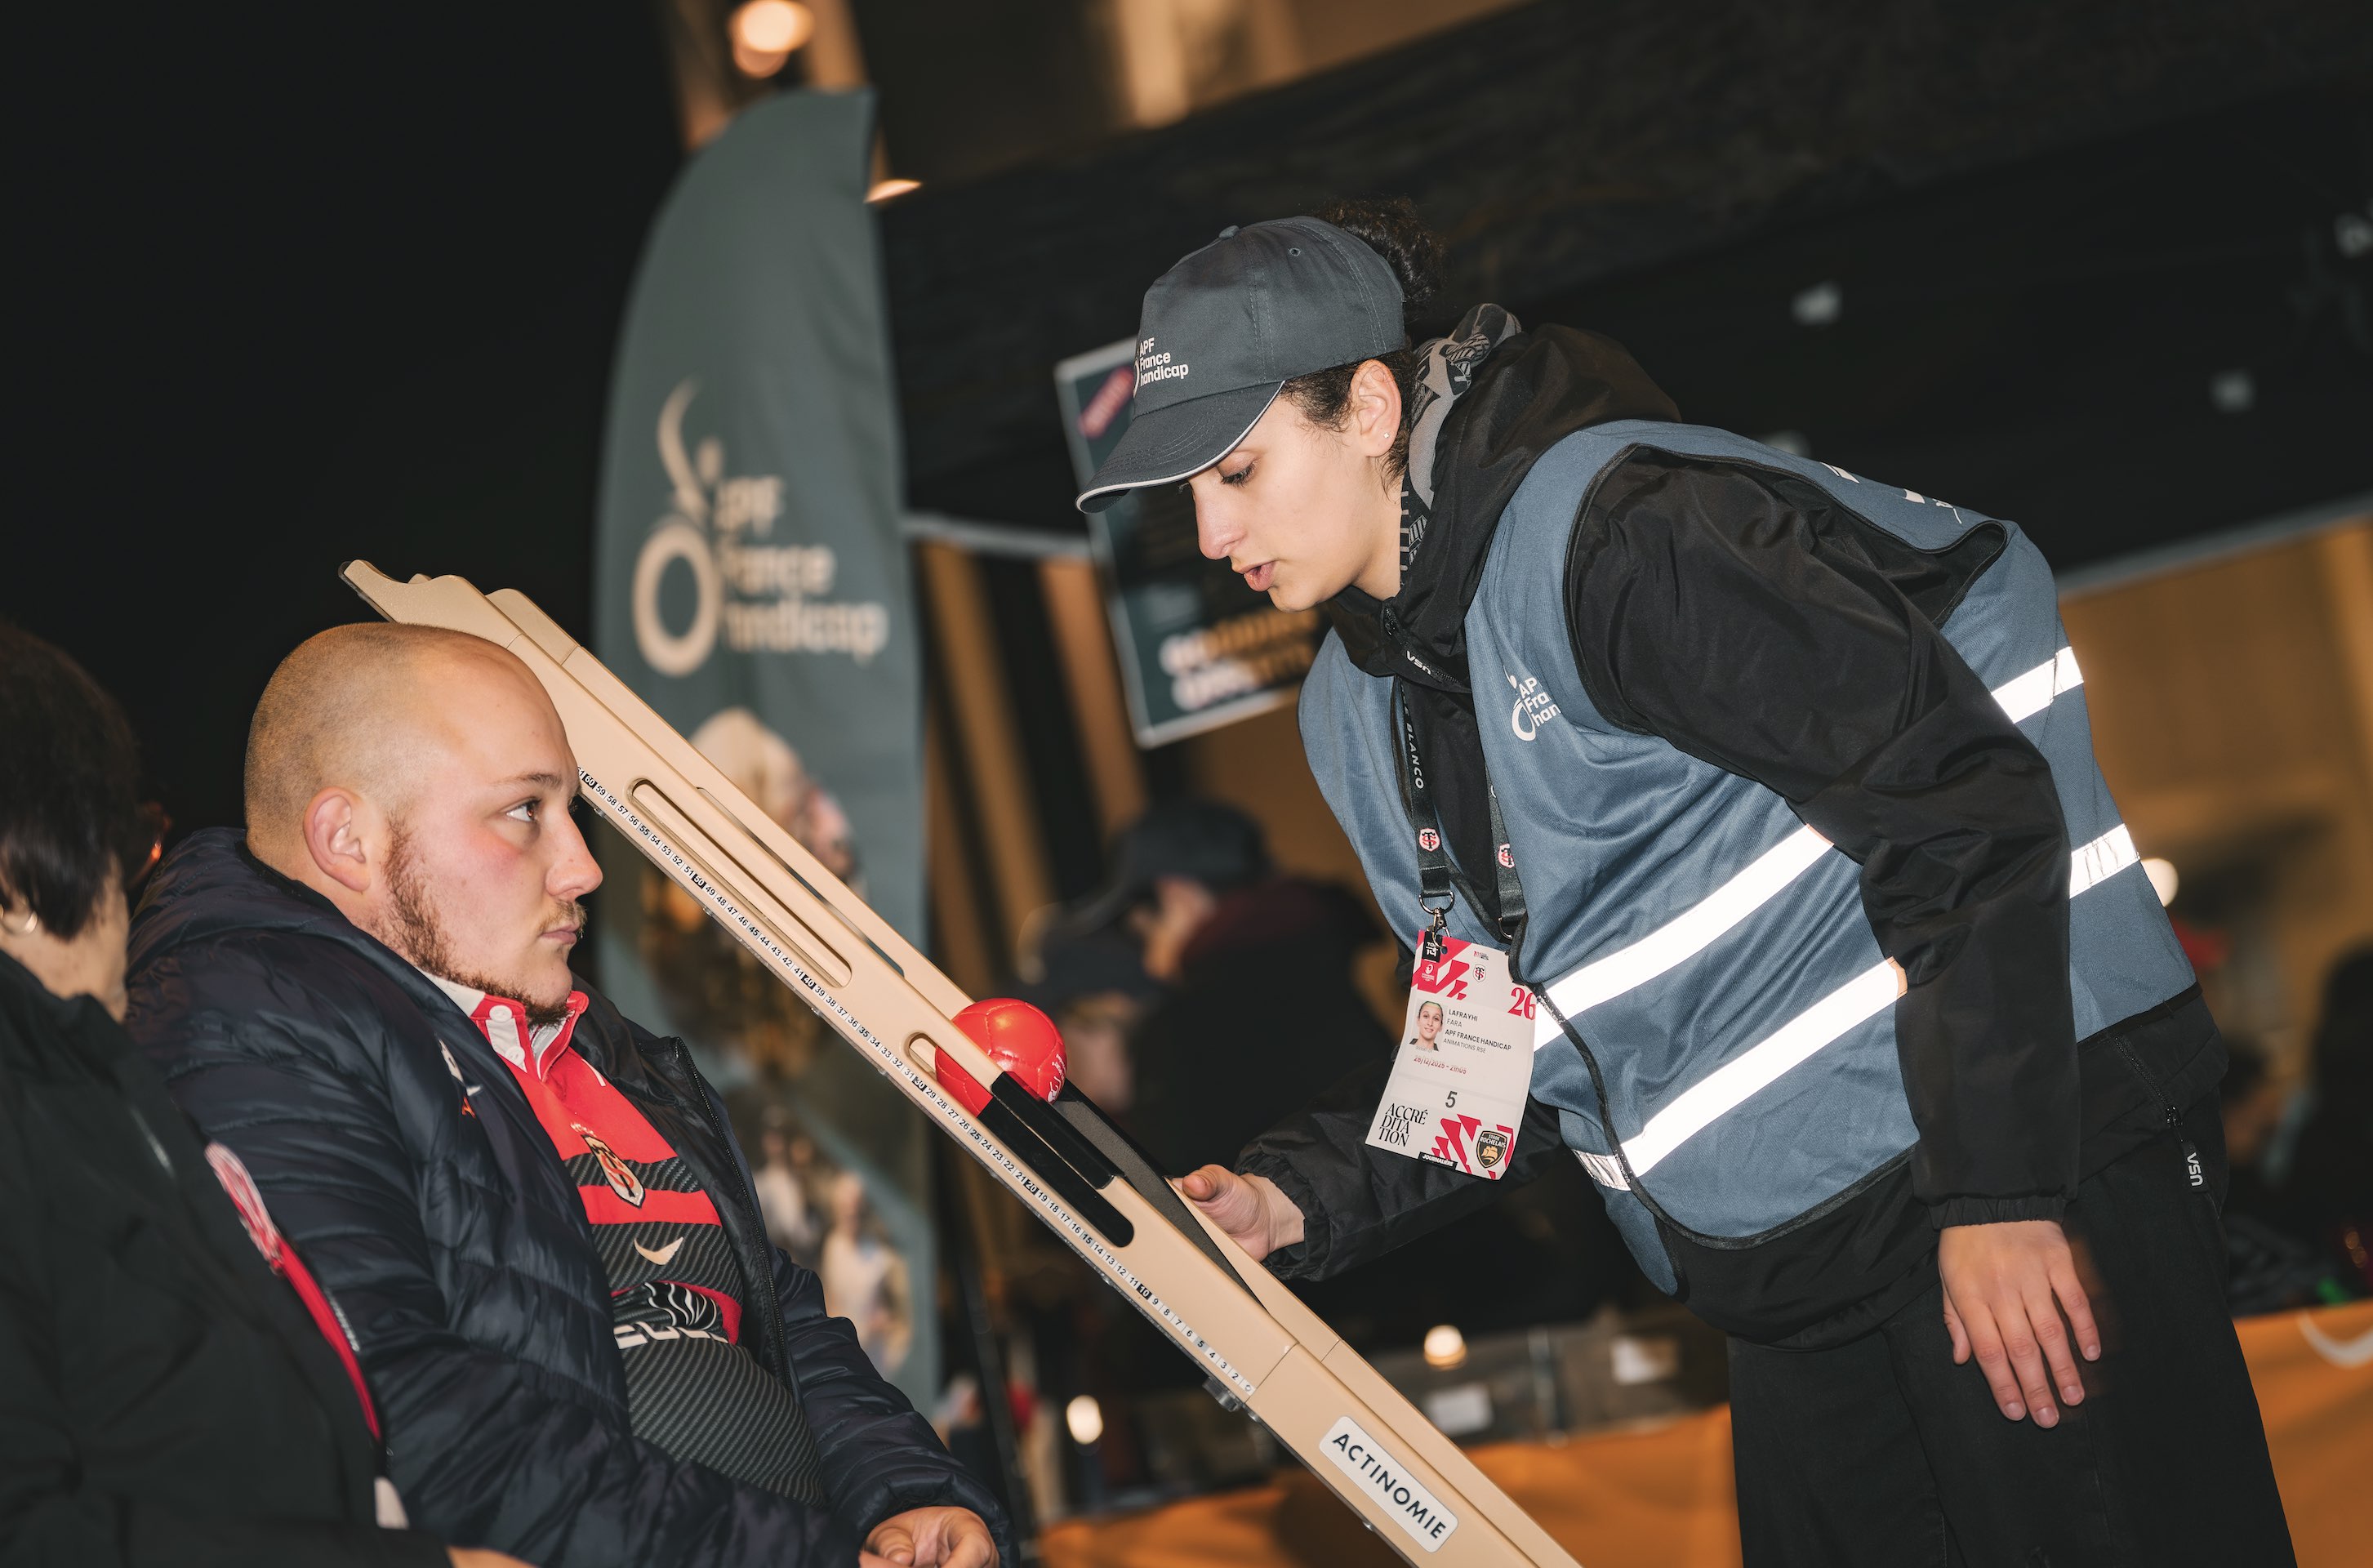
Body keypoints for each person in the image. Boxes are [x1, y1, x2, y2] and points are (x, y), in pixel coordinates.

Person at [1081, 202, 2294, 1564]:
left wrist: (2002, 1195)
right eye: (1184, 491)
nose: (1204, 535)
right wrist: (1294, 1198)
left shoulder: (1625, 532)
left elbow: (1959, 807)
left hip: (2002, 1177)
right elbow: (1498, 1035)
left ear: (1368, 406)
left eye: (1236, 470)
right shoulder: (1357, 713)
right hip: (1784, 1269)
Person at [126, 623, 1004, 1568]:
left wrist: (908, 1494)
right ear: (349, 840)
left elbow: (785, 1326)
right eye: (522, 812)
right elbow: (410, 1416)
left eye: (571, 809)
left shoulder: (603, 1046)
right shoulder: (242, 1023)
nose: (582, 865)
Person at [0, 622, 528, 1568]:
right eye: (128, 846)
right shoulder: (85, 1088)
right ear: (17, 881)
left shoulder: (93, 1096)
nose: (136, 894)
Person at [1070, 800, 1391, 1176]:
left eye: (1146, 933)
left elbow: (1185, 1205)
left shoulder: (1188, 1032)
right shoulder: (1339, 952)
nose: (1151, 964)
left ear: (1178, 897)